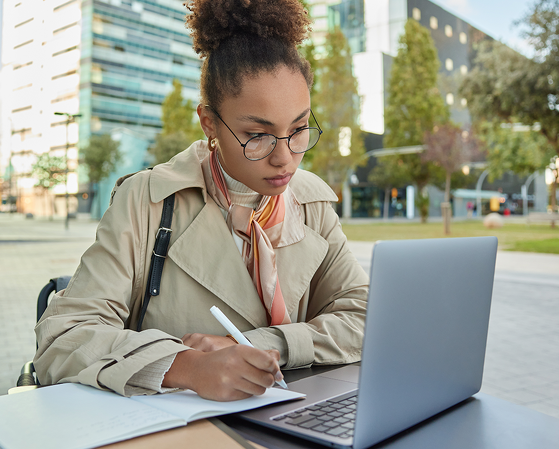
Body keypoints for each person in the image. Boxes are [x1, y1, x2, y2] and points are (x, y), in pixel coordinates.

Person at [33, 0, 369, 402]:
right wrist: (186, 366)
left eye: (298, 129)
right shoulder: (146, 200)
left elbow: (367, 317)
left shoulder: (312, 203)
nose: (285, 157)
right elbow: (64, 336)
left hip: (286, 419)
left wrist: (266, 344)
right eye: (257, 136)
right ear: (209, 123)